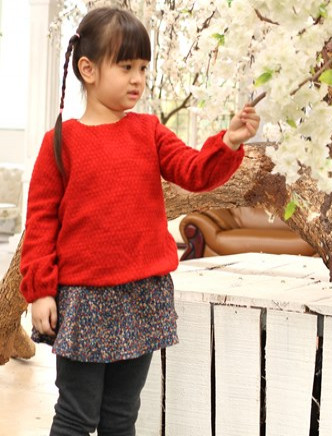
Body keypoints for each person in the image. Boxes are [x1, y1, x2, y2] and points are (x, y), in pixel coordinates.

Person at [20, 6, 260, 436]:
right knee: (76, 416)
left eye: (144, 68)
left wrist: (227, 141)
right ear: (88, 69)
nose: (138, 78)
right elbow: (40, 223)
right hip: (84, 300)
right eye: (126, 66)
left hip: (142, 295)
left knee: (121, 417)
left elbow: (194, 172)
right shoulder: (60, 142)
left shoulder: (149, 131)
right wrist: (40, 291)